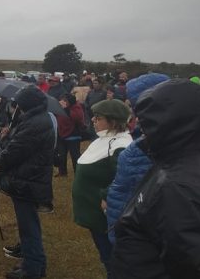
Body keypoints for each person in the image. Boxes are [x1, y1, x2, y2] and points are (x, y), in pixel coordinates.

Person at [111, 79, 200, 277]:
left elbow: (190, 263)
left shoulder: (177, 185)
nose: (141, 131)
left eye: (148, 123)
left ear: (173, 124)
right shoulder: (177, 158)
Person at [0, 85, 54, 279]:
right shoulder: (36, 120)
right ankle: (34, 264)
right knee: (29, 226)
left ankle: (32, 270)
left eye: (17, 104)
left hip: (28, 180)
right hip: (29, 178)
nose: (15, 108)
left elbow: (16, 149)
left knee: (28, 228)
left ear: (25, 105)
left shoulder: (34, 123)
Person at [104, 73, 169, 245]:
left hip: (147, 242)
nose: (135, 115)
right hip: (127, 234)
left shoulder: (146, 149)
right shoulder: (137, 145)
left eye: (137, 107)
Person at [71, 99, 132, 278]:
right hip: (94, 212)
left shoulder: (120, 145)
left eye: (98, 118)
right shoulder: (105, 138)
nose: (93, 121)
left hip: (104, 215)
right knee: (105, 253)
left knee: (111, 256)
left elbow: (124, 177)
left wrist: (106, 195)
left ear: (113, 121)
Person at [55, 93, 85, 177]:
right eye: (61, 100)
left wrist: (67, 109)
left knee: (75, 155)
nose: (63, 102)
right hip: (61, 134)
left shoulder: (76, 107)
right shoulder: (59, 108)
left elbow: (78, 118)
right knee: (61, 154)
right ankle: (62, 172)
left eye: (65, 100)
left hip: (73, 135)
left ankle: (78, 173)